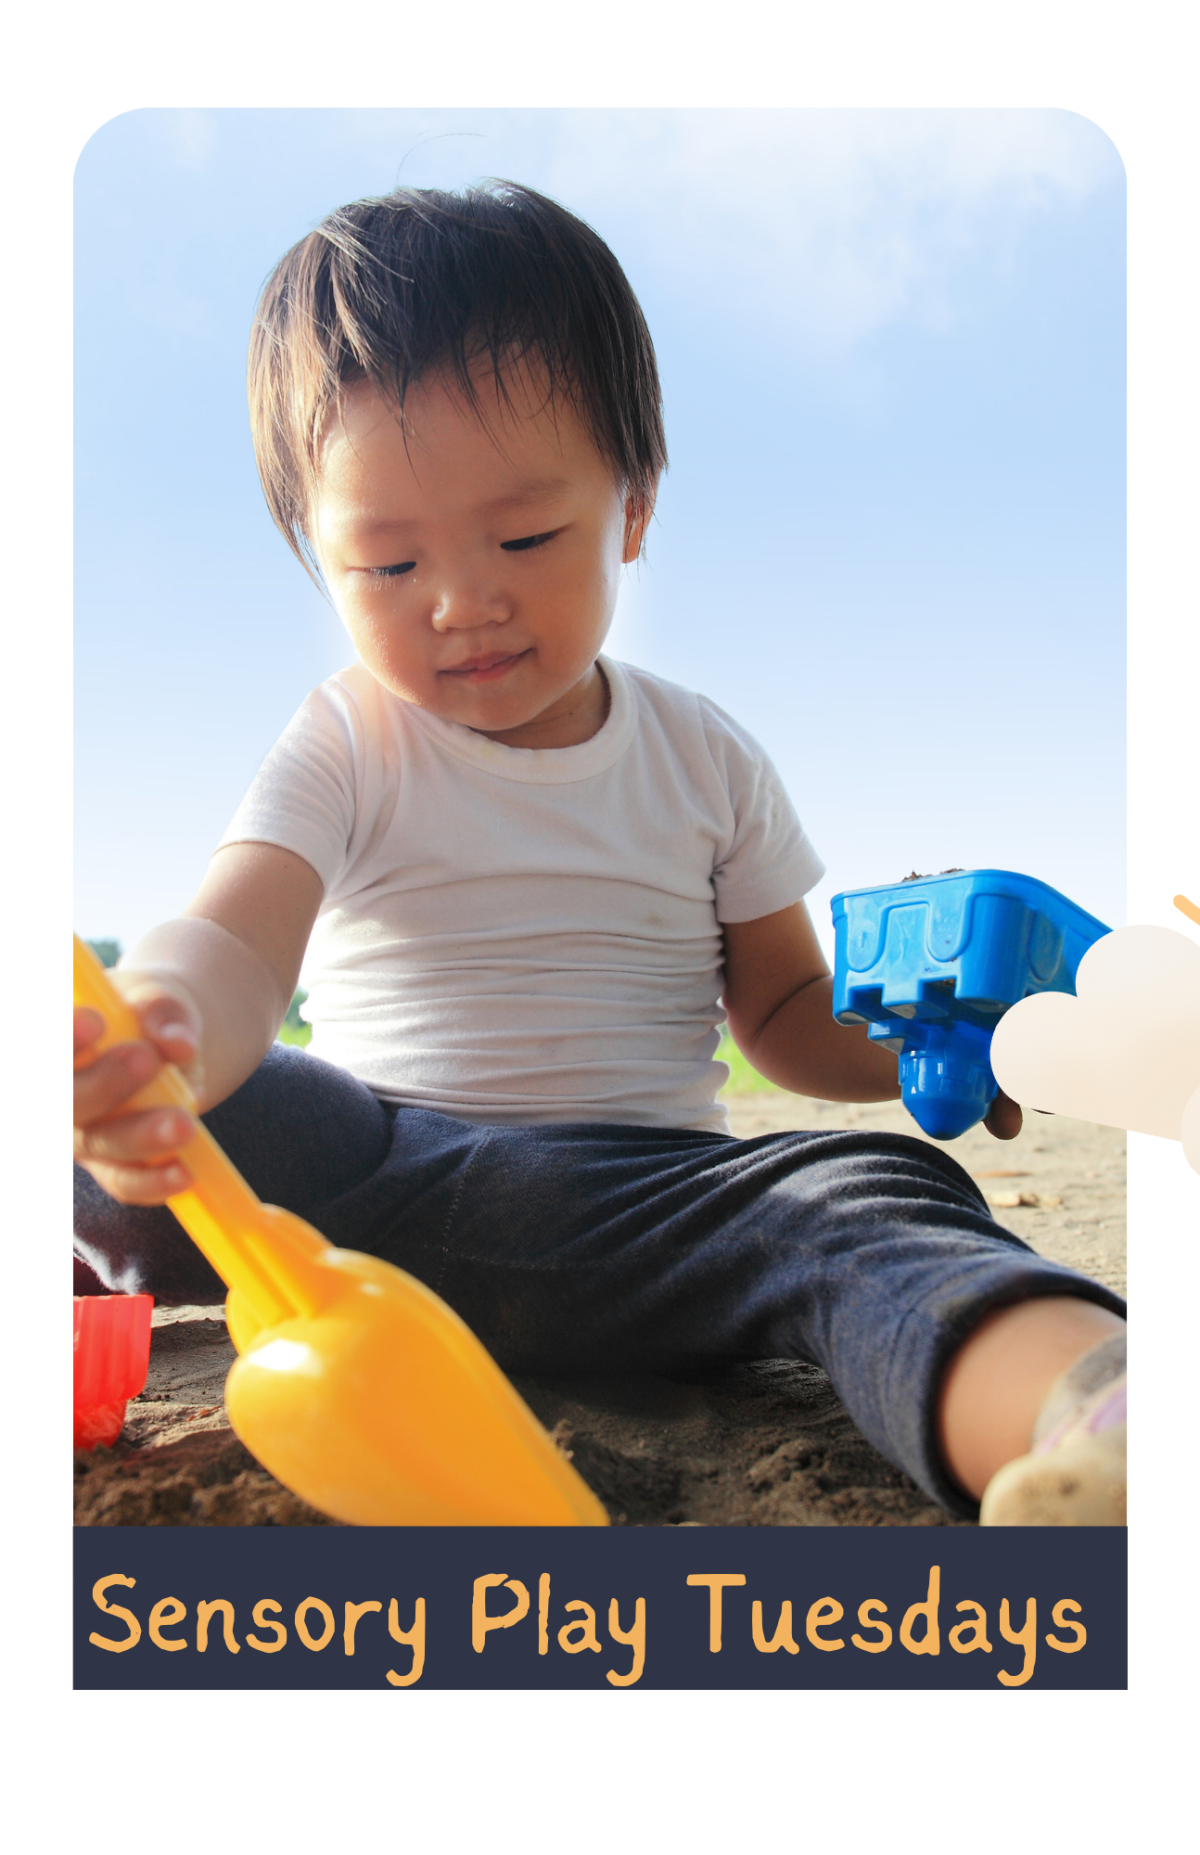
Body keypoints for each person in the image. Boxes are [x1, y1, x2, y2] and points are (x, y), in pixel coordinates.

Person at [73, 183, 1126, 1525]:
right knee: (172, 1116)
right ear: (317, 560)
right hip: (373, 1191)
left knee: (874, 1199)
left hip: (654, 1213)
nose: (462, 600)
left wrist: (949, 1051)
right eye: (388, 566)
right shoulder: (347, 735)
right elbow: (235, 935)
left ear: (631, 509)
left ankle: (1097, 1422)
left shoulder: (704, 757)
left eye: (522, 536)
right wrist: (163, 1030)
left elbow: (791, 1015)